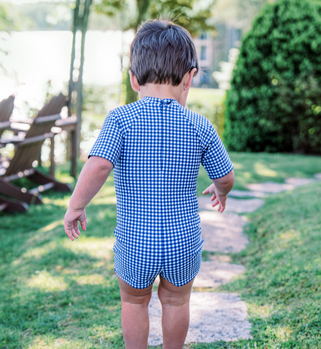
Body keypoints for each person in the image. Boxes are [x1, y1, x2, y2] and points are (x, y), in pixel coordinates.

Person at [64, 19, 235, 349]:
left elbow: (98, 166)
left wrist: (76, 205)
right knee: (176, 302)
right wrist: (220, 191)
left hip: (135, 240)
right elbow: (225, 176)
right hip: (182, 240)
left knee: (133, 303)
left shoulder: (121, 120)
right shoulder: (200, 125)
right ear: (189, 78)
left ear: (133, 80)